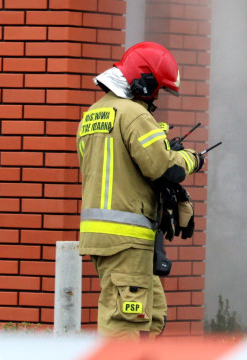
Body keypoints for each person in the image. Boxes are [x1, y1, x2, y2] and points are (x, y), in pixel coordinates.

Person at [76, 41, 204, 338]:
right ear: (144, 82)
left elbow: (121, 168)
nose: (157, 97)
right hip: (127, 240)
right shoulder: (133, 114)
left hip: (107, 237)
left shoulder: (93, 115)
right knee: (125, 325)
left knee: (153, 314)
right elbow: (164, 169)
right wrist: (191, 159)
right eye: (157, 89)